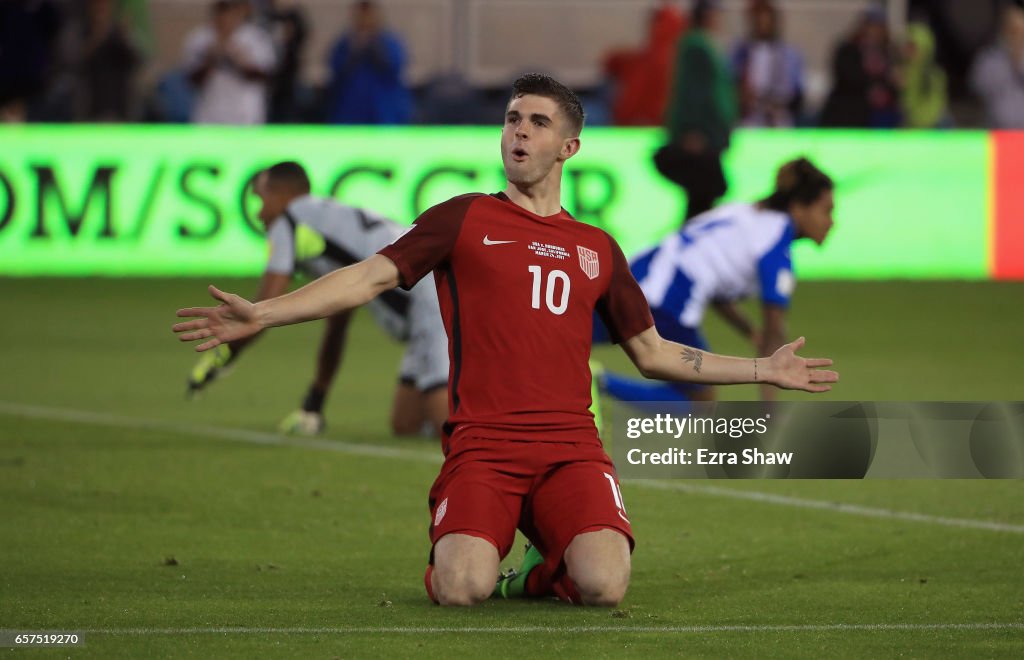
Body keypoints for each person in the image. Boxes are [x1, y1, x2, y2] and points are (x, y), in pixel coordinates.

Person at [173, 74, 838, 607]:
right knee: (463, 587)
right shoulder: (464, 218)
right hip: (484, 449)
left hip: (572, 449)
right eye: (512, 119)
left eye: (537, 122)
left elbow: (655, 352)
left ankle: (533, 577)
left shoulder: (597, 249)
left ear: (569, 147)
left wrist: (764, 366)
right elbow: (366, 277)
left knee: (605, 585)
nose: (519, 132)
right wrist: (264, 313)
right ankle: (477, 555)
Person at [185, 161, 449, 437]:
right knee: (405, 424)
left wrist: (226, 355)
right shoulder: (326, 219)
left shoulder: (289, 219)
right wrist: (316, 401)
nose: (258, 213)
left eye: (260, 199)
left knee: (446, 421)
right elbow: (337, 323)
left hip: (427, 296)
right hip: (428, 287)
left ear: (282, 194)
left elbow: (262, 307)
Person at [597, 157, 835, 405]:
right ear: (798, 208)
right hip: (669, 298)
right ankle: (598, 382)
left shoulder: (747, 212)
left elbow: (716, 283)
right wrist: (770, 406)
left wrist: (749, 330)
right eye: (826, 210)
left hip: (635, 272)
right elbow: (774, 330)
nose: (832, 222)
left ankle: (586, 382)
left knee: (568, 341)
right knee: (699, 400)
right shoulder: (776, 246)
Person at [658, 0, 737, 223]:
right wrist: (692, 129)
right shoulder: (696, 46)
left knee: (702, 196)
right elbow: (693, 91)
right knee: (703, 195)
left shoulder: (701, 45)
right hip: (702, 135)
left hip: (707, 132)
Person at [182, 0, 275, 125]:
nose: (226, 18)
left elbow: (265, 76)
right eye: (222, 11)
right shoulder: (200, 37)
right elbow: (191, 80)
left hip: (246, 116)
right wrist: (211, 58)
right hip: (209, 117)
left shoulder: (255, 37)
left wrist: (239, 58)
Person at [325, 0, 411, 124]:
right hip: (350, 111)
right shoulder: (345, 43)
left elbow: (396, 70)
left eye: (369, 15)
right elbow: (335, 72)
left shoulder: (390, 42)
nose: (365, 19)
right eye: (361, 15)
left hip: (383, 110)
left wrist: (376, 49)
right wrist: (354, 51)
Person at [819, 6, 900, 128]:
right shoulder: (848, 49)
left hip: (878, 118)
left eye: (878, 26)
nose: (874, 31)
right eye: (870, 25)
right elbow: (847, 76)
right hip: (846, 113)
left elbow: (894, 83)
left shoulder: (888, 52)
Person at [729, 0, 805, 127]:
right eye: (758, 20)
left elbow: (796, 91)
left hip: (779, 118)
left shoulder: (788, 54)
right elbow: (731, 82)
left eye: (766, 20)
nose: (762, 25)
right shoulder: (740, 52)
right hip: (749, 119)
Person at [970, 1, 1024, 129]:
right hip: (997, 133)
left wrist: (1019, 63)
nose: (1017, 37)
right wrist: (1010, 62)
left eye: (1021, 32)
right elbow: (977, 87)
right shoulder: (989, 59)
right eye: (1013, 31)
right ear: (1004, 30)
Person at [900, 21, 949, 129]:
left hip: (927, 130)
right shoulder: (904, 70)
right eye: (906, 46)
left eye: (912, 47)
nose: (907, 51)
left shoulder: (932, 74)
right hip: (909, 129)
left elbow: (933, 109)